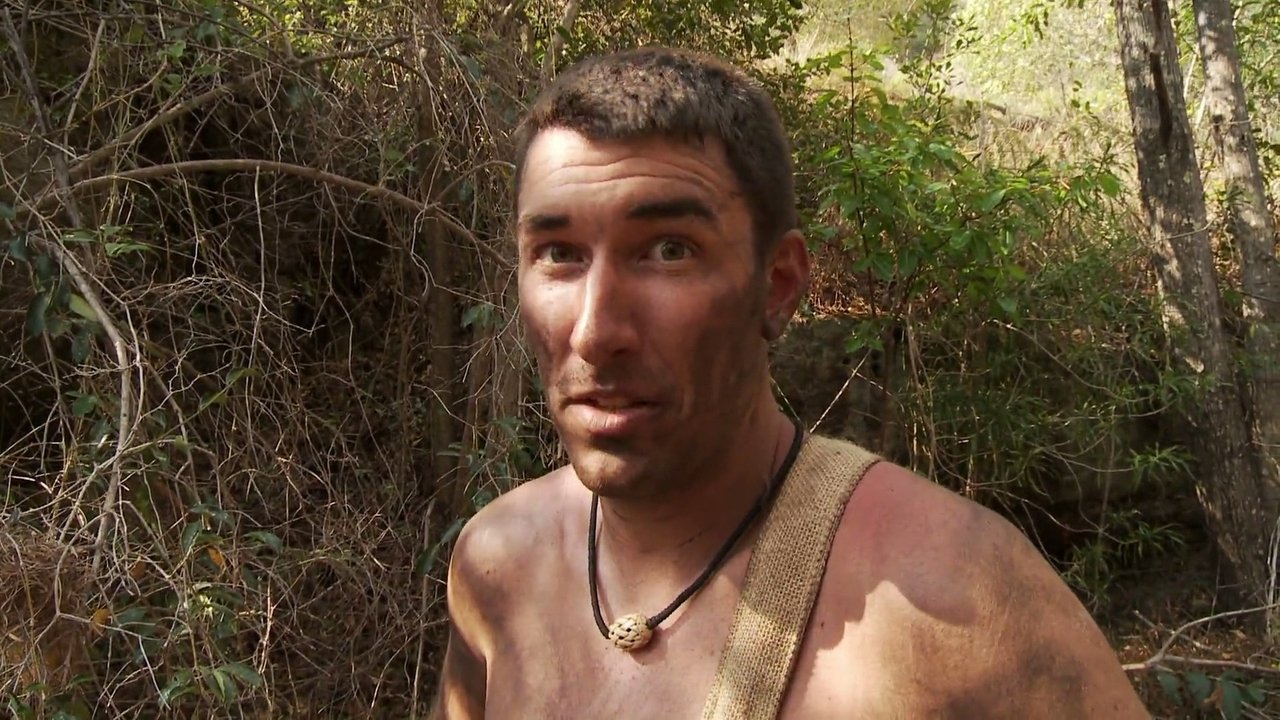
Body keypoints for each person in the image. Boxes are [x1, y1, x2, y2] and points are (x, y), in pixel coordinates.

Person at [430, 46, 1150, 719]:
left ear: (777, 285)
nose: (594, 332)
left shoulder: (958, 601)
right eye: (558, 253)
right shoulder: (497, 564)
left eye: (669, 251)